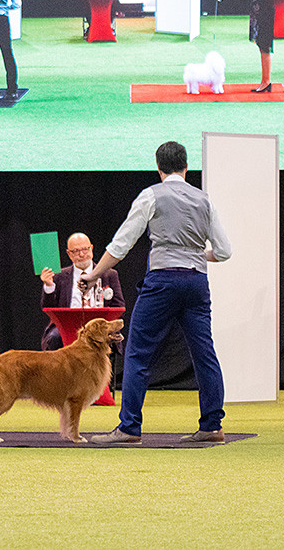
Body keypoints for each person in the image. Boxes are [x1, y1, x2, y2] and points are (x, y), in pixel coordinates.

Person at [85, 141, 232, 445]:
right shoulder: (204, 200)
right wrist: (192, 253)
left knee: (139, 353)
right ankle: (212, 426)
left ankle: (129, 428)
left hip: (163, 282)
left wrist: (94, 274)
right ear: (186, 167)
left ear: (159, 168)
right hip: (196, 283)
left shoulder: (151, 194)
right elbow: (224, 252)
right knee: (205, 355)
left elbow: (121, 244)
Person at [39, 232, 125, 351]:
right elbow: (48, 308)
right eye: (76, 251)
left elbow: (119, 306)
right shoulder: (59, 276)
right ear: (69, 254)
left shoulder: (109, 274)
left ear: (91, 248)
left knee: (106, 339)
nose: (81, 254)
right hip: (67, 327)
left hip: (99, 327)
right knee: (54, 337)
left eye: (85, 249)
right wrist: (48, 286)